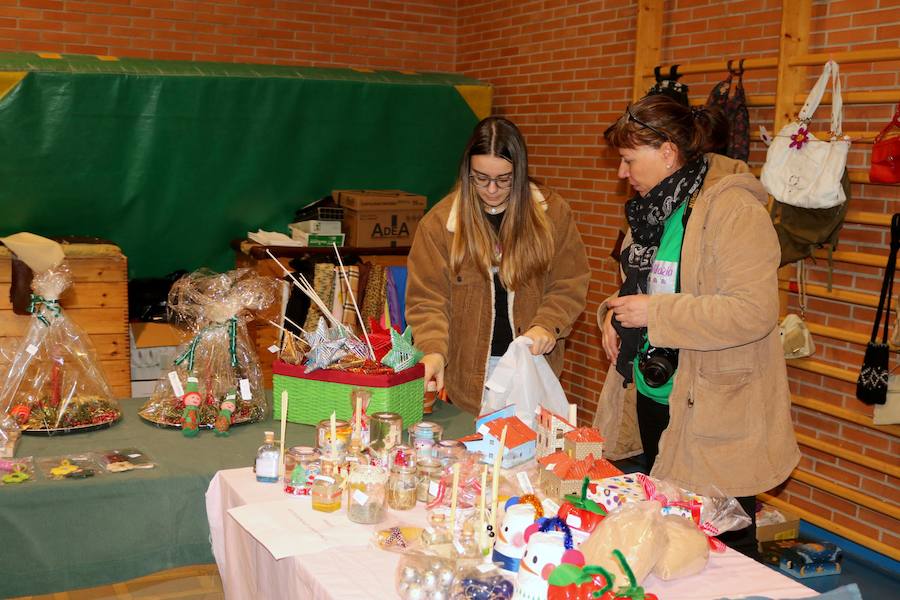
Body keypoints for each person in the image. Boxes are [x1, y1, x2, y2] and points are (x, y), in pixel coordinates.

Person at [593, 95, 800, 556]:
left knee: (720, 548)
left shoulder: (733, 212)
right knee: (667, 540)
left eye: (629, 160)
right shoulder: (649, 211)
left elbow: (752, 311)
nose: (622, 173)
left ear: (667, 152)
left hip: (714, 411)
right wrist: (614, 313)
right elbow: (643, 288)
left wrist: (654, 315)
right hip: (653, 395)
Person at [406, 116, 590, 416]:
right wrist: (434, 350)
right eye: (480, 178)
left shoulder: (552, 214)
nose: (491, 189)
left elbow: (569, 282)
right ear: (467, 172)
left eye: (504, 179)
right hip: (468, 378)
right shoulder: (440, 224)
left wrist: (547, 324)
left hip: (531, 372)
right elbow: (427, 300)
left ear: (520, 173)